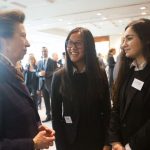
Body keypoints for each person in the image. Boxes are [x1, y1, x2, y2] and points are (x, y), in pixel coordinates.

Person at [0, 10, 55, 150]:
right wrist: (32, 144)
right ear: (4, 41)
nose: (28, 43)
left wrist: (36, 126)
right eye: (23, 36)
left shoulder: (12, 71)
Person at [51, 27, 111, 150]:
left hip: (96, 139)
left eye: (78, 43)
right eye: (69, 43)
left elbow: (106, 111)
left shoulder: (99, 73)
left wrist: (107, 142)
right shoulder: (59, 76)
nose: (72, 47)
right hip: (70, 140)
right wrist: (61, 146)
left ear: (88, 46)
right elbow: (56, 116)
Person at [108, 18, 150, 150]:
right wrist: (114, 140)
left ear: (146, 39)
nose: (123, 45)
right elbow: (117, 107)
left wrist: (130, 146)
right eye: (123, 40)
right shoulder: (128, 71)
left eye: (129, 38)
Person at [37, 47, 57, 122]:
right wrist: (39, 73)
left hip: (50, 83)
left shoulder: (53, 61)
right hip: (42, 84)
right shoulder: (39, 62)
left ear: (47, 52)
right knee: (46, 101)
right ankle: (48, 115)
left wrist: (46, 74)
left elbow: (55, 72)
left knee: (53, 100)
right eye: (42, 51)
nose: (43, 52)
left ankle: (54, 115)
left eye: (45, 51)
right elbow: (36, 72)